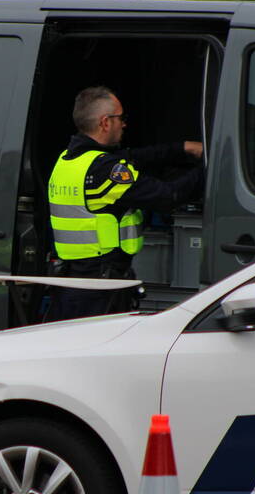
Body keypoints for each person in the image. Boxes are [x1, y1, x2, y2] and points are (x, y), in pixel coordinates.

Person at [46, 86, 204, 320]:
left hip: (73, 283)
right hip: (101, 289)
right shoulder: (104, 170)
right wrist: (214, 163)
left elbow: (135, 157)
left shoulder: (68, 160)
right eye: (121, 118)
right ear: (105, 122)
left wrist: (183, 149)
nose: (125, 124)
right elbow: (168, 196)